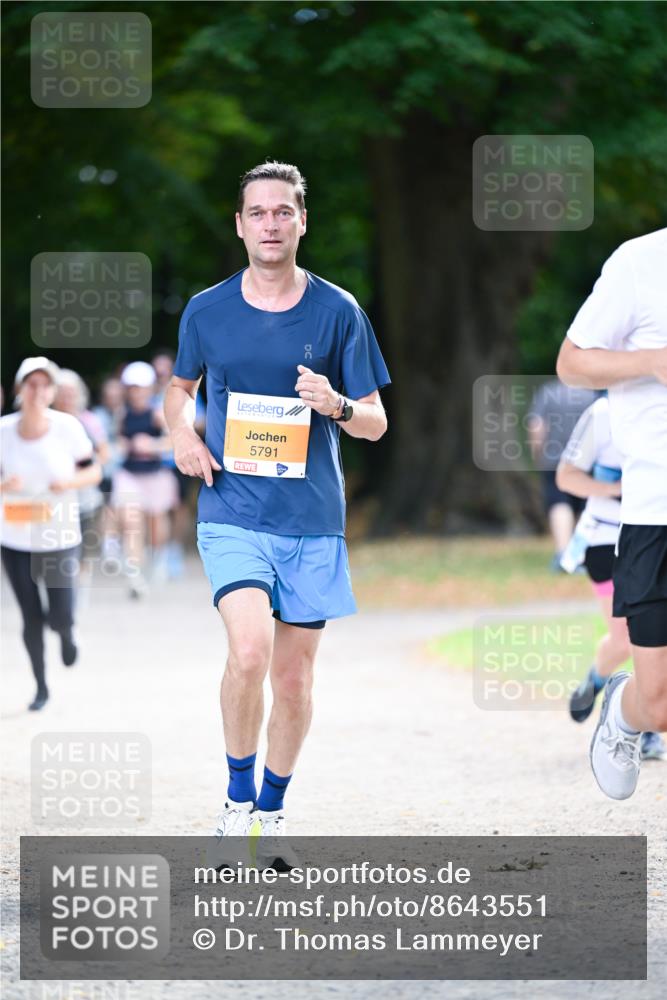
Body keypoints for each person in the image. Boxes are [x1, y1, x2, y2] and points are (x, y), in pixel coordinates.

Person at [164, 160, 390, 856]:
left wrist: (338, 403)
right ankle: (235, 802)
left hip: (312, 520)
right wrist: (181, 433)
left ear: (300, 221)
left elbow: (375, 421)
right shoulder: (206, 309)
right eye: (257, 212)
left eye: (282, 211)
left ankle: (271, 810)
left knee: (293, 679)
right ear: (239, 225)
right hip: (232, 509)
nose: (269, 223)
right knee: (250, 650)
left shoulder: (337, 310)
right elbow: (179, 391)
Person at [557, 227, 667, 800]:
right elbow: (571, 363)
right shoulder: (641, 261)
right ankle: (626, 713)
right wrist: (652, 361)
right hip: (654, 511)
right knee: (660, 704)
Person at [556, 396, 665, 759]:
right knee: (625, 640)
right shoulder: (602, 415)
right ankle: (598, 682)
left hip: (655, 537)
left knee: (648, 637)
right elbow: (566, 476)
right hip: (605, 537)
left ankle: (644, 724)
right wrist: (619, 490)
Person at [0, 358, 101, 710]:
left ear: (53, 391)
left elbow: (94, 472)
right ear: (20, 389)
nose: (38, 390)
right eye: (31, 383)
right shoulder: (4, 431)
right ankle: (41, 688)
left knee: (60, 612)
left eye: (46, 385)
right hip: (14, 537)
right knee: (29, 615)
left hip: (58, 534)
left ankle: (66, 631)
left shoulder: (68, 427)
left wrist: (68, 482)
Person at [111, 361, 177, 598]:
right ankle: (134, 574)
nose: (137, 392)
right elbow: (119, 440)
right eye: (133, 387)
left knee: (157, 523)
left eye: (141, 387)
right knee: (131, 523)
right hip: (129, 474)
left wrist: (152, 445)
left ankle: (159, 559)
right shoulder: (122, 414)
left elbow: (173, 441)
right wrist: (123, 446)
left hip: (155, 474)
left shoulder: (157, 413)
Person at [526, 379, 598, 570]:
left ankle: (563, 554)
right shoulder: (592, 394)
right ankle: (582, 553)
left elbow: (537, 426)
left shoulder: (548, 392)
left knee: (559, 502)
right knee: (585, 505)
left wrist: (536, 454)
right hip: (587, 459)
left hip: (553, 458)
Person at [53, 369, 109, 581]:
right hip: (54, 493)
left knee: (83, 544)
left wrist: (84, 467)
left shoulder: (88, 420)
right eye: (62, 393)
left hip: (84, 494)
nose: (67, 398)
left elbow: (104, 453)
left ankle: (79, 589)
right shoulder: (49, 420)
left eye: (71, 393)